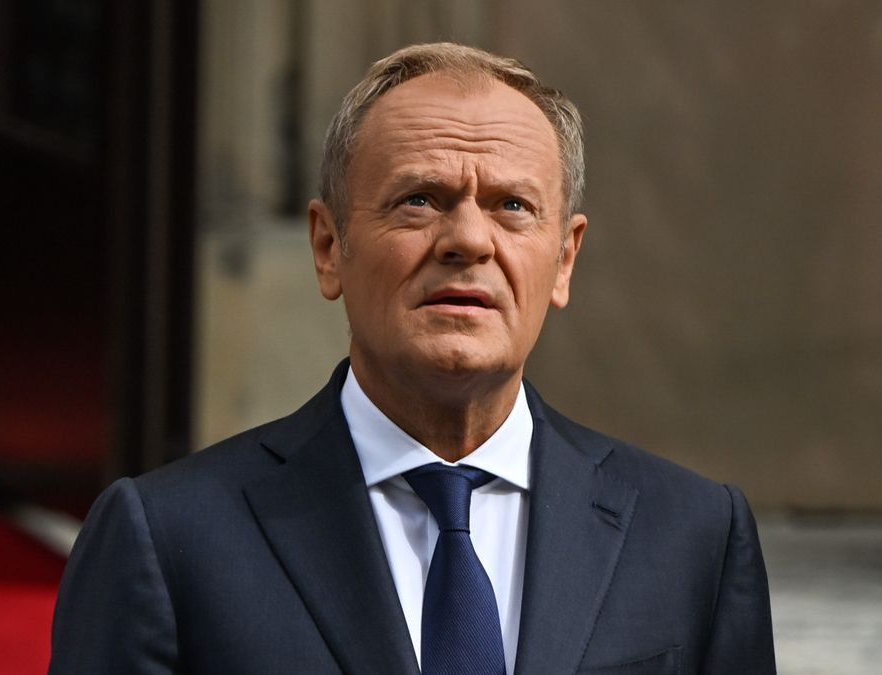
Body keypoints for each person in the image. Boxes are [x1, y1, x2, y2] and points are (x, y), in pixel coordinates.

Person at [49, 42, 775, 674]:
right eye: (419, 200)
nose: (468, 239)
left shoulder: (692, 535)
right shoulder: (169, 537)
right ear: (329, 247)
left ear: (564, 259)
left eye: (512, 206)